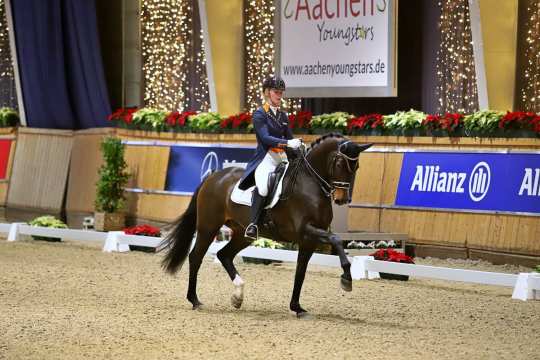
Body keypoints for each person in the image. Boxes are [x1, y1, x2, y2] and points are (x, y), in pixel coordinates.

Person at [239, 76, 302, 240]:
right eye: (276, 92)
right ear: (267, 93)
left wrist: (299, 153)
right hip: (266, 157)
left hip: (281, 157)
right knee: (264, 187)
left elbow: (289, 138)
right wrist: (288, 142)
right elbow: (265, 138)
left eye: (281, 93)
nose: (279, 96)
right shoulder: (260, 114)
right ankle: (253, 225)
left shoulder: (283, 116)